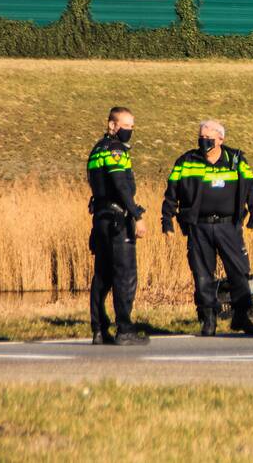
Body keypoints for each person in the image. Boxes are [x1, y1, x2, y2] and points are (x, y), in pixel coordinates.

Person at [161, 120, 253, 336]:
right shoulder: (187, 161)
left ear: (220, 139)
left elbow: (251, 189)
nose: (203, 140)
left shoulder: (235, 160)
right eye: (201, 136)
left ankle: (241, 317)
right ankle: (208, 319)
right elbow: (172, 192)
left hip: (228, 227)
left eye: (208, 137)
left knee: (239, 271)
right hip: (199, 227)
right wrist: (167, 220)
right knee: (202, 275)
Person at [86, 107, 149, 346]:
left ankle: (99, 329)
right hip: (117, 220)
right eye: (125, 126)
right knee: (125, 276)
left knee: (102, 276)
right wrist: (136, 215)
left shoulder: (96, 150)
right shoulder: (116, 151)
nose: (129, 131)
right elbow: (121, 186)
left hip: (100, 218)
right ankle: (124, 329)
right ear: (112, 125)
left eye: (132, 127)